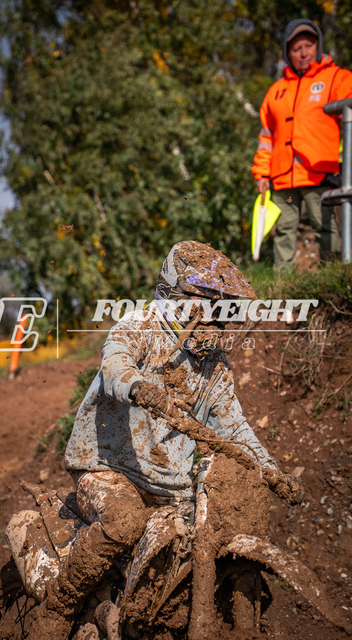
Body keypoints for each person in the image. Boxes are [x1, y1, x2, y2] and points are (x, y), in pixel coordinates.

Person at [43, 240, 301, 633]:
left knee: (213, 533)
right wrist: (138, 387)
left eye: (222, 312)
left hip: (169, 485)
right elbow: (115, 365)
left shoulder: (214, 365)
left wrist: (269, 469)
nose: (216, 322)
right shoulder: (140, 327)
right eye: (208, 308)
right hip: (106, 469)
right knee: (123, 523)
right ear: (177, 299)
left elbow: (233, 427)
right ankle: (58, 606)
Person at [251, 18, 352, 270]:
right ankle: (281, 282)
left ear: (318, 47)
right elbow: (266, 137)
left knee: (325, 226)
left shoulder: (337, 78)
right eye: (297, 48)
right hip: (283, 178)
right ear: (288, 54)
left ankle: (334, 275)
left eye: (309, 45)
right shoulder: (276, 91)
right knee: (284, 230)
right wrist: (261, 173)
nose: (304, 53)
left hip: (320, 172)